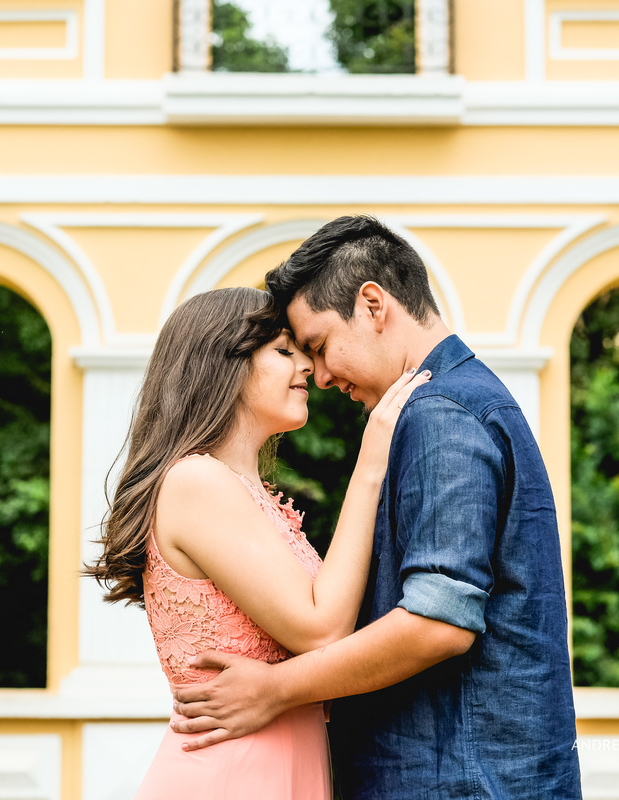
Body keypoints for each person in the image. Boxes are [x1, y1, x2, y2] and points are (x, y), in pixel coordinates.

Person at [170, 217, 583, 798]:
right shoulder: (450, 404)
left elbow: (438, 623)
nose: (319, 373)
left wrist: (276, 688)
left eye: (316, 345)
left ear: (372, 304)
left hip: (458, 780)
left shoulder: (441, 412)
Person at [84, 286, 430, 800]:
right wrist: (370, 463)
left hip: (284, 769)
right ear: (224, 363)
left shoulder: (245, 493)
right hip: (233, 776)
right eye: (285, 351)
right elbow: (322, 629)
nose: (308, 368)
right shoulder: (196, 482)